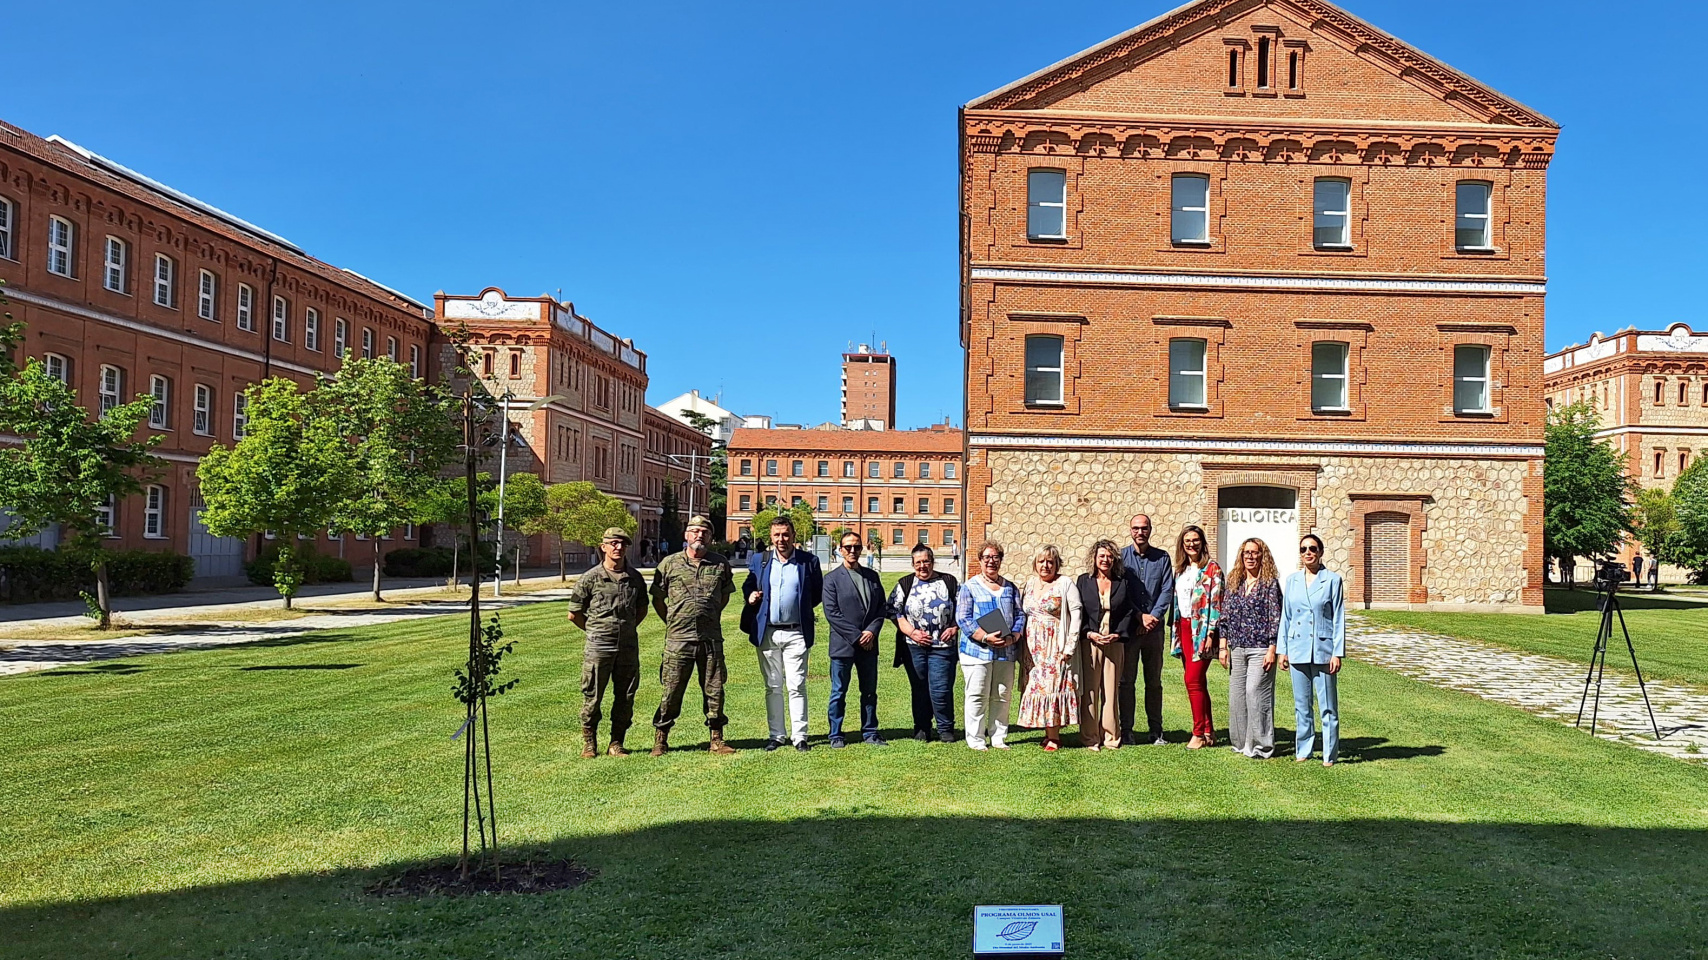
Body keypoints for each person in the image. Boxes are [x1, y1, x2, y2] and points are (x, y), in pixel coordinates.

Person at [648, 515, 737, 757]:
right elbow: (657, 598)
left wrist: (711, 614)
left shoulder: (719, 564)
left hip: (710, 639)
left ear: (710, 537)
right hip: (678, 640)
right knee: (671, 690)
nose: (699, 535)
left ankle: (717, 738)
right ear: (686, 536)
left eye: (704, 532)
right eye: (694, 531)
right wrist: (671, 620)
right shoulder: (669, 564)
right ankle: (661, 739)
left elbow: (725, 596)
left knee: (715, 689)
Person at [741, 517, 823, 752]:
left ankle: (800, 736)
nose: (781, 540)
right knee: (773, 686)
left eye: (785, 534)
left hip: (796, 632)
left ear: (794, 536)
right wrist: (750, 596)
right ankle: (776, 735)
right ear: (771, 537)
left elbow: (815, 594)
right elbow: (749, 584)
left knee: (796, 685)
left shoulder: (809, 562)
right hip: (768, 632)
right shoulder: (761, 560)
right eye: (777, 535)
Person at [566, 527, 650, 758]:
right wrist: (596, 630)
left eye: (622, 544)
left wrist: (626, 629)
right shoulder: (591, 578)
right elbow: (574, 614)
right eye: (613, 543)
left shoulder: (635, 578)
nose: (618, 548)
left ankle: (616, 743)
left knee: (625, 696)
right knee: (593, 695)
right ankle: (589, 743)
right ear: (603, 547)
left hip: (627, 648)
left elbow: (642, 609)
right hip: (599, 647)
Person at [1279, 534, 1346, 766]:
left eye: (1313, 548)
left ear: (1321, 552)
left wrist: (1337, 652)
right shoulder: (1292, 581)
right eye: (1304, 549)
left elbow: (1339, 618)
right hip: (1297, 648)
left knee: (1327, 706)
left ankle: (1329, 753)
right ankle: (1304, 749)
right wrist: (1282, 650)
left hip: (1323, 650)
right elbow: (1285, 618)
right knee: (1302, 705)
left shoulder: (1332, 580)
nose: (1308, 552)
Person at [955, 540, 1026, 751]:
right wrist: (985, 637)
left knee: (1002, 695)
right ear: (980, 560)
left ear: (1001, 560)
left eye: (995, 557)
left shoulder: (1010, 588)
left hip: (1006, 650)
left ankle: (998, 737)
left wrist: (1014, 636)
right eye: (987, 557)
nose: (991, 562)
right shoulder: (970, 587)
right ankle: (976, 739)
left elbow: (1020, 614)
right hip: (977, 651)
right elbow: (963, 619)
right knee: (977, 694)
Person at [822, 531, 888, 747]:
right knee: (839, 692)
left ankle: (870, 731)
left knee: (869, 691)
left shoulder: (872, 576)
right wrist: (857, 636)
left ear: (862, 549)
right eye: (848, 547)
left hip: (869, 645)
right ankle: (835, 734)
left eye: (856, 547)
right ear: (840, 550)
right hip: (843, 646)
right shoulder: (831, 579)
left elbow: (880, 608)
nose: (852, 551)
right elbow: (832, 613)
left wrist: (871, 632)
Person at [890, 544, 960, 743]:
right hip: (914, 647)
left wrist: (954, 627)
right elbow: (894, 612)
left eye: (926, 561)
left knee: (941, 688)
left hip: (943, 647)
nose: (922, 566)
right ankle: (922, 728)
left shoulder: (949, 581)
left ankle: (945, 728)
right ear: (913, 564)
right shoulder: (904, 584)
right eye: (918, 563)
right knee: (919, 688)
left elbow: (963, 608)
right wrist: (912, 633)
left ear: (932, 562)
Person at [1218, 538, 1281, 759]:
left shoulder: (1270, 583)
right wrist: (1222, 646)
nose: (1250, 557)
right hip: (1237, 648)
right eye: (1246, 553)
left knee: (1256, 694)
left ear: (1262, 555)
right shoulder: (1235, 581)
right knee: (1237, 697)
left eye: (1255, 553)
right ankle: (1240, 743)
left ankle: (1261, 746)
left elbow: (1276, 618)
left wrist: (1273, 648)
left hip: (1261, 648)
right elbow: (1224, 617)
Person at [1018, 545, 1082, 751]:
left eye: (1050, 562)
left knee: (1052, 687)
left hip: (1055, 645)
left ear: (1057, 564)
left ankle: (1054, 736)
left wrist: (1069, 646)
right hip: (1032, 648)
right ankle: (1047, 732)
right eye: (1041, 561)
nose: (1045, 566)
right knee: (1036, 687)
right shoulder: (1029, 584)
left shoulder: (1065, 583)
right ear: (1035, 564)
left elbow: (1076, 614)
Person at [1120, 513, 1173, 745]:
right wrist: (1139, 616)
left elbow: (1167, 590)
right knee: (1126, 682)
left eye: (1144, 528)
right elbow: (1121, 593)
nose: (1139, 532)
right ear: (1130, 530)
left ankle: (1155, 730)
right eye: (1135, 528)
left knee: (1153, 682)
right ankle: (1126, 730)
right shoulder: (1120, 558)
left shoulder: (1162, 558)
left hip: (1154, 630)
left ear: (1150, 530)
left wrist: (1153, 617)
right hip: (1130, 629)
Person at [1076, 539, 1133, 751]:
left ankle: (1111, 736)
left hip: (1114, 643)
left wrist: (1117, 634)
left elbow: (1128, 611)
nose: (1105, 560)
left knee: (1111, 690)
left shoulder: (1122, 582)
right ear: (1094, 558)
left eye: (1109, 556)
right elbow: (1077, 611)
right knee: (1090, 690)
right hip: (1090, 643)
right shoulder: (1083, 581)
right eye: (1102, 556)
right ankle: (1090, 737)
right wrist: (1088, 633)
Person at [1172, 524, 1223, 749]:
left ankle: (1198, 733)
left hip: (1202, 631)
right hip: (1183, 628)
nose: (1191, 544)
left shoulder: (1212, 569)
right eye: (1187, 541)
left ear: (1202, 542)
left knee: (1192, 680)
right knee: (1198, 682)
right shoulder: (1181, 570)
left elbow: (1217, 603)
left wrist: (1211, 633)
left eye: (1195, 540)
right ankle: (1209, 730)